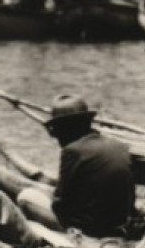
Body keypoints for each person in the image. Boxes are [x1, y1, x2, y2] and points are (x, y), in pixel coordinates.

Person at [18, 94, 136, 238]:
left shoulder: (73, 151)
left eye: (57, 129)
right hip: (118, 225)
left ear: (66, 128)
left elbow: (60, 204)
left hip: (89, 230)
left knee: (25, 197)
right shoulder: (119, 145)